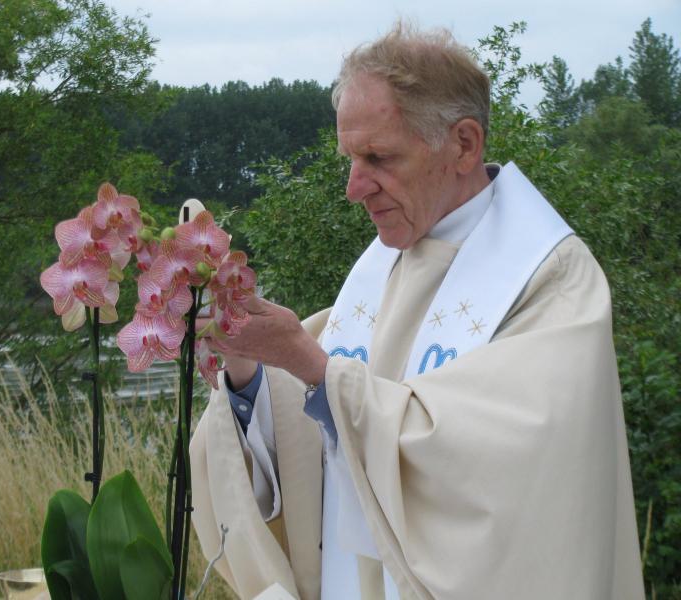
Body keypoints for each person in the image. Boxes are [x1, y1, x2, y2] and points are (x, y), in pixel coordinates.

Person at [191, 22, 644, 600]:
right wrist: (247, 369)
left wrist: (315, 368)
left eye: (379, 157)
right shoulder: (383, 265)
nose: (355, 187)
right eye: (349, 158)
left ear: (463, 144)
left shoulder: (552, 279)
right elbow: (320, 435)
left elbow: (509, 471)